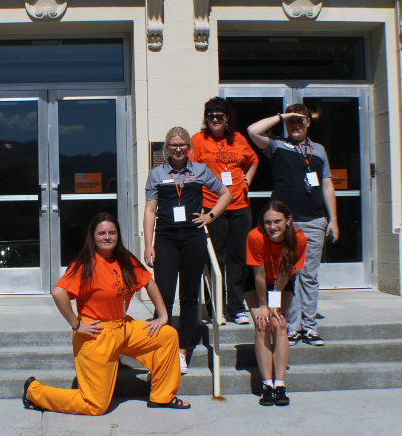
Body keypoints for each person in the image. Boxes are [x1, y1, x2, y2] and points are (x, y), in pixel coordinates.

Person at [22, 213, 190, 415]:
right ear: (92, 237)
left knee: (167, 335)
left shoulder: (124, 259)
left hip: (123, 327)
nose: (107, 237)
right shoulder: (86, 264)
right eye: (101, 233)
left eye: (112, 232)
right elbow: (59, 292)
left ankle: (162, 396)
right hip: (97, 333)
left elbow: (148, 282)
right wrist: (77, 325)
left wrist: (163, 316)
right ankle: (34, 392)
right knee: (95, 406)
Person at [247, 105, 338, 347]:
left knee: (309, 276)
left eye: (300, 121)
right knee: (285, 275)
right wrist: (281, 117)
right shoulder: (277, 145)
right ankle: (292, 326)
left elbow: (327, 185)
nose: (295, 125)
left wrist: (334, 221)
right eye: (291, 121)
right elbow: (252, 130)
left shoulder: (318, 150)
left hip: (314, 220)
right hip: (285, 224)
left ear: (309, 122)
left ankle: (309, 327)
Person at [144, 127, 233, 374]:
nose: (178, 148)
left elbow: (225, 193)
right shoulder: (156, 174)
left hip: (193, 237)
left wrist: (211, 216)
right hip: (166, 239)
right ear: (167, 148)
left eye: (182, 144)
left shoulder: (200, 171)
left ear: (189, 147)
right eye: (173, 145)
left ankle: (182, 350)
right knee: (163, 296)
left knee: (189, 297)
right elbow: (150, 210)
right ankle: (161, 348)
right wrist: (148, 244)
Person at [191, 97, 258, 325]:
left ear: (227, 118)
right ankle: (215, 309)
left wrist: (247, 179)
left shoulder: (238, 139)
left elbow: (254, 160)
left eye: (220, 116)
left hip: (240, 206)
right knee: (214, 259)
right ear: (206, 118)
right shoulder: (199, 140)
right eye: (211, 116)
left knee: (238, 258)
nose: (215, 120)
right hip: (212, 207)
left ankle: (237, 308)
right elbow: (191, 171)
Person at [245, 200, 306, 406]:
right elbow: (260, 275)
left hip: (282, 283)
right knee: (263, 325)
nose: (272, 227)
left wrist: (275, 301)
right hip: (256, 282)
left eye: (277, 221)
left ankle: (280, 385)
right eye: (267, 222)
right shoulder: (255, 236)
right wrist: (264, 305)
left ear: (288, 220)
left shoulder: (298, 239)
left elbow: (286, 272)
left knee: (279, 324)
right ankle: (267, 385)